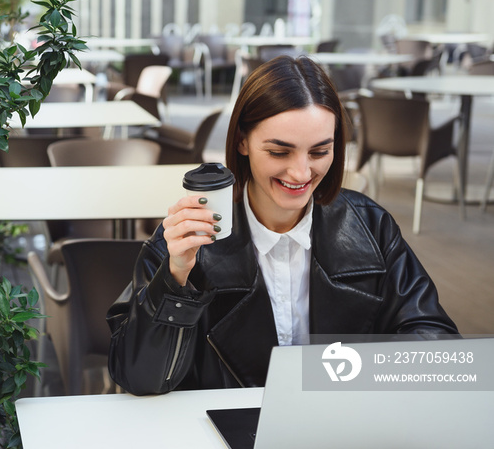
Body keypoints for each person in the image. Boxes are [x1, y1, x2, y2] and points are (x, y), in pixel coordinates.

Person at [106, 55, 458, 396]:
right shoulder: (185, 240)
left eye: (319, 152)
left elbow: (435, 345)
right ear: (242, 141)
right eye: (279, 152)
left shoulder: (370, 226)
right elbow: (139, 378)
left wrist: (353, 381)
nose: (302, 173)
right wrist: (175, 277)